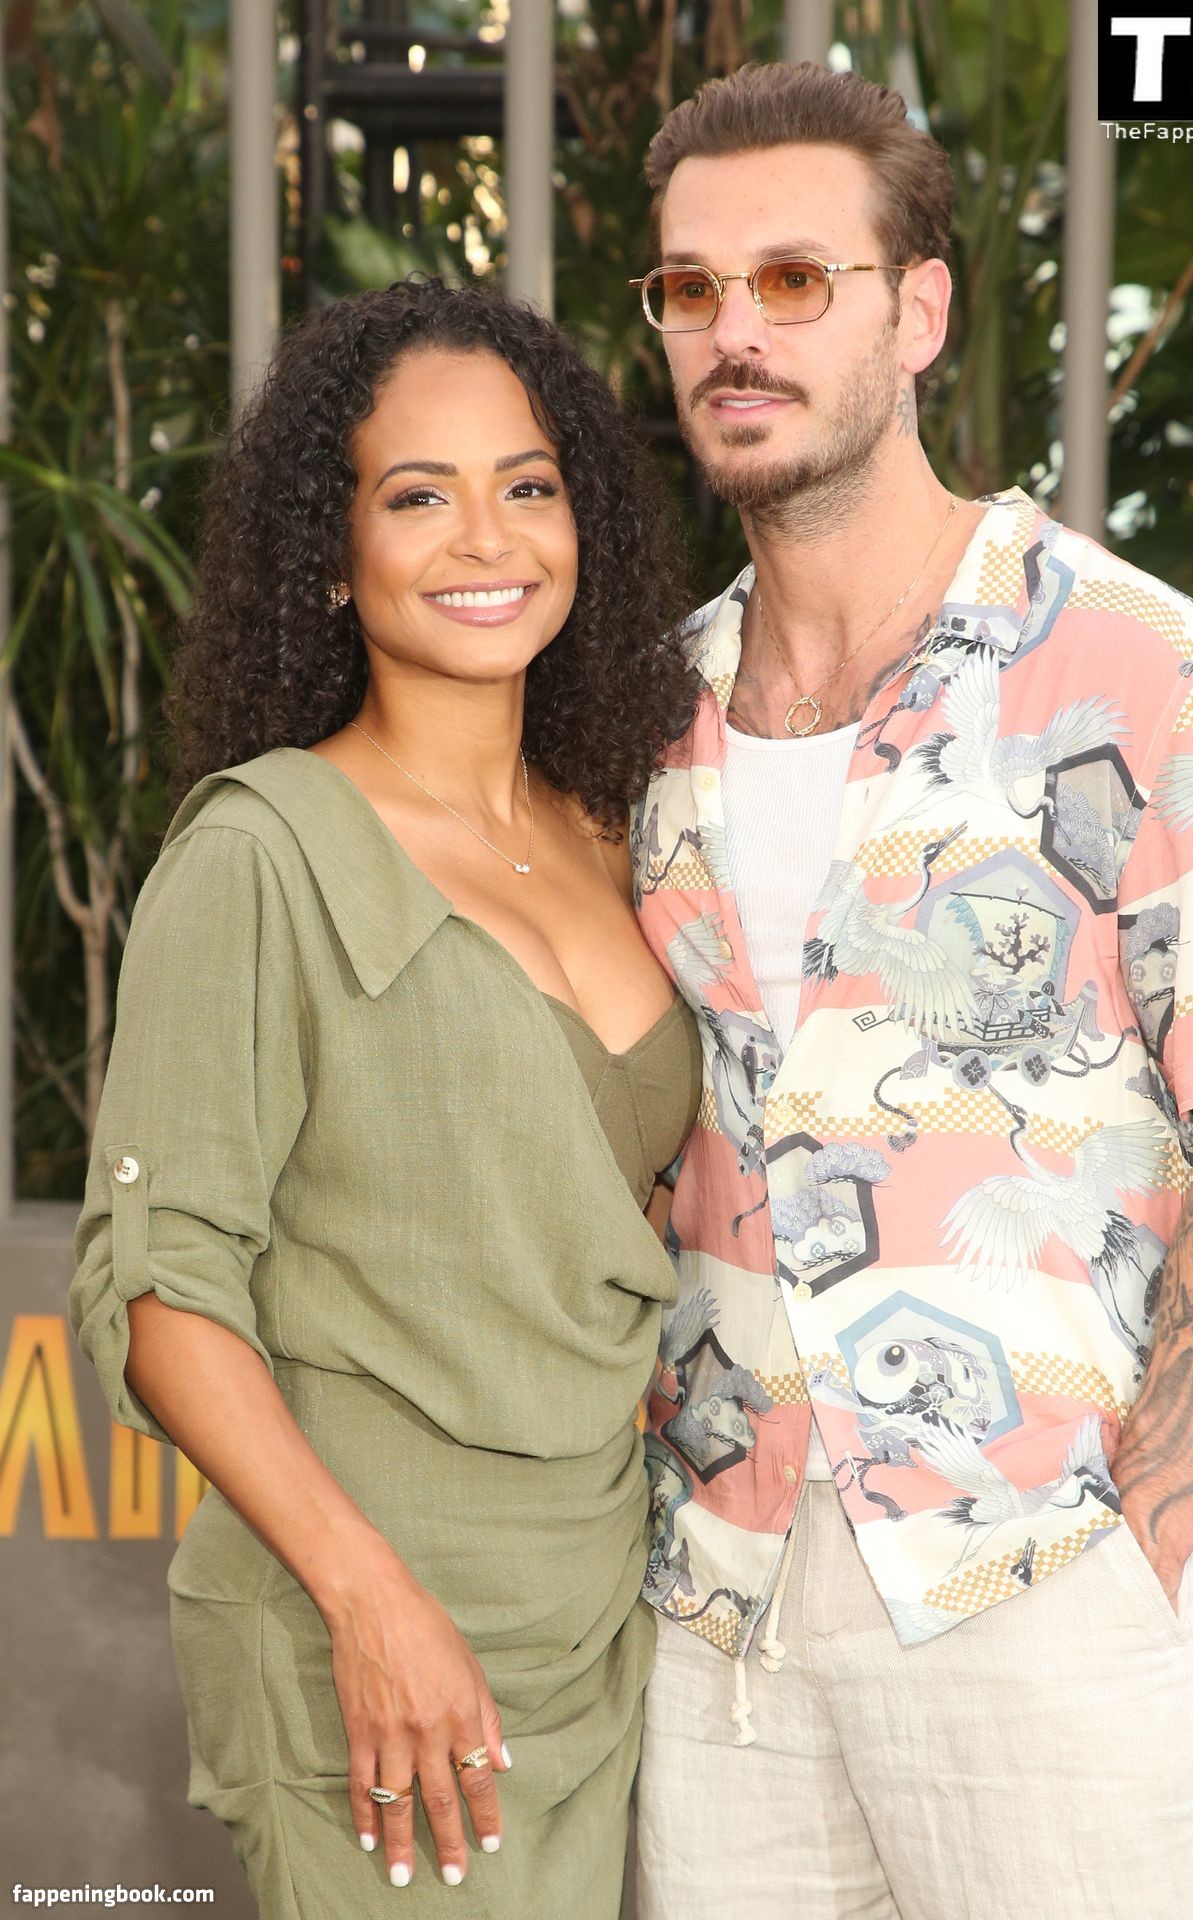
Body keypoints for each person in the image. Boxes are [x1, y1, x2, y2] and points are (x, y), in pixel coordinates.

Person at [627, 61, 1193, 1920]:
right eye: (692, 287)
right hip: (723, 1613)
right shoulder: (640, 717)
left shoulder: (1135, 662)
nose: (734, 331)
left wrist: (1150, 1513)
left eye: (796, 279)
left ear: (919, 310)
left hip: (1046, 1588)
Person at [69, 277, 702, 1919]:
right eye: (417, 497)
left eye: (527, 485)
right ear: (329, 555)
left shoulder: (617, 833)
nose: (486, 540)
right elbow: (161, 1293)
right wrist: (375, 1606)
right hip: (371, 1649)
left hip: (596, 1613)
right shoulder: (262, 851)